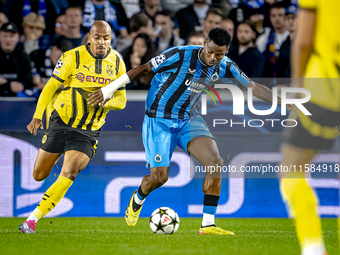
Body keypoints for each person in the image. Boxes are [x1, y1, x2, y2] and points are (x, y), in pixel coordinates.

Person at [88, 27, 291, 235]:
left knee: (215, 163)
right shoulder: (180, 55)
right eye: (210, 51)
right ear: (205, 42)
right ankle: (138, 199)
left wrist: (284, 102)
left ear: (227, 51)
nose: (213, 58)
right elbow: (143, 69)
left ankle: (208, 224)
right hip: (158, 121)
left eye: (219, 54)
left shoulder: (226, 66)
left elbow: (253, 87)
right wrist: (108, 90)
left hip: (188, 119)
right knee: (159, 178)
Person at [19, 20, 127, 233]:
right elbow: (51, 86)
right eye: (97, 37)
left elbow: (122, 99)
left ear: (111, 38)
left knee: (70, 171)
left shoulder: (117, 63)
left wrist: (107, 101)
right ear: (89, 37)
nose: (102, 42)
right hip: (62, 121)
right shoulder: (72, 57)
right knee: (39, 175)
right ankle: (59, 151)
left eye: (106, 38)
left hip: (88, 130)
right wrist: (37, 116)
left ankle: (32, 219)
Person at [279, 0, 340, 254]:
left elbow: (304, 40)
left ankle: (313, 246)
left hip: (326, 87)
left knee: (292, 169)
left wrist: (297, 86)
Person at [256, 2, 289, 82]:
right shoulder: (262, 40)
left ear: (286, 17)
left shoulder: (292, 38)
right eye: (273, 16)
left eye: (280, 15)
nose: (277, 19)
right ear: (270, 18)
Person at [0, 22, 33, 97]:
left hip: (17, 100)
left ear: (17, 38)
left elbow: (28, 82)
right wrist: (9, 85)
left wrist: (5, 83)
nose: (8, 39)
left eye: (11, 36)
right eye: (5, 36)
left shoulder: (23, 56)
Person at [277, 4, 298, 79]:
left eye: (293, 17)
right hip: (286, 87)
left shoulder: (304, 42)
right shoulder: (284, 44)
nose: (290, 21)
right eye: (287, 18)